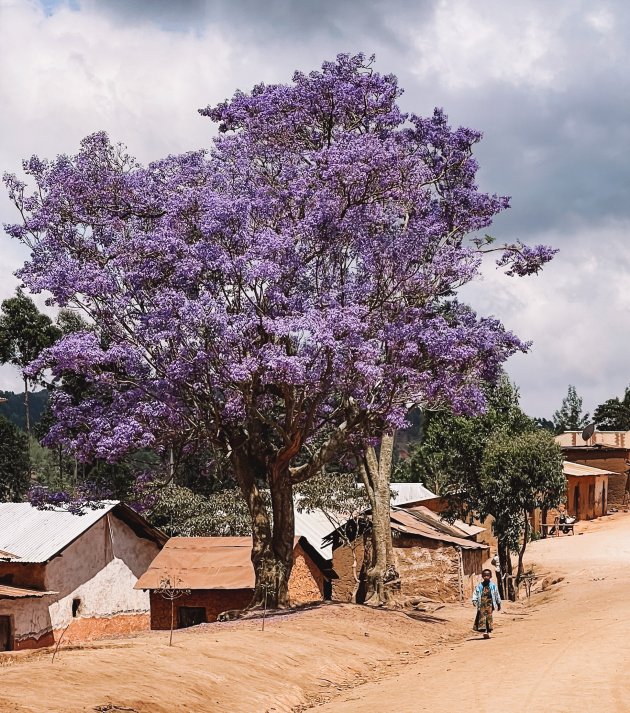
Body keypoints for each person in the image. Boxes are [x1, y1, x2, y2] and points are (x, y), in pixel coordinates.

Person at [472, 568, 501, 639]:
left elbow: (497, 594)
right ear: (482, 576)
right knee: (482, 618)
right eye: (484, 575)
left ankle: (488, 631)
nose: (486, 577)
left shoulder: (493, 586)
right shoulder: (480, 586)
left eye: (488, 575)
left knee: (489, 618)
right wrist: (474, 600)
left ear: (490, 576)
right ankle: (484, 631)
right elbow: (475, 593)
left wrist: (499, 603)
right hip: (482, 604)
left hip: (490, 604)